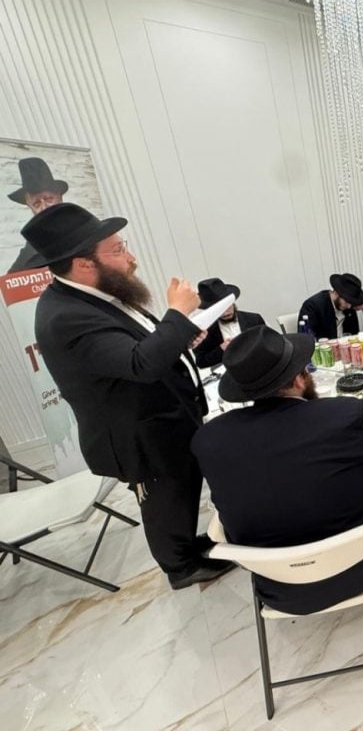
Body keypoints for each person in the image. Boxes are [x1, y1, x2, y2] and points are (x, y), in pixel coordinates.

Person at [22, 203, 232, 590]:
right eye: (118, 250)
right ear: (83, 264)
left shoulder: (97, 293)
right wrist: (178, 314)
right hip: (138, 434)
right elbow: (140, 364)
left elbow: (138, 346)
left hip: (165, 418)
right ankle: (180, 567)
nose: (131, 258)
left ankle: (188, 545)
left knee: (183, 487)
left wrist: (181, 335)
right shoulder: (65, 317)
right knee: (164, 499)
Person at [191, 326, 363, 616]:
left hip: (277, 587)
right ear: (298, 378)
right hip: (357, 570)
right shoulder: (343, 415)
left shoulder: (209, 441)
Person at [7, 157, 68, 272]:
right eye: (36, 203)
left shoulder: (84, 224)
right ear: (30, 207)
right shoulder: (33, 242)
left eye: (48, 199)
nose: (44, 207)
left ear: (59, 198)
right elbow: (11, 279)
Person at [193, 278, 266, 368]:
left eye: (226, 306)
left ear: (232, 301)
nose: (225, 313)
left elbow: (269, 343)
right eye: (219, 309)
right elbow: (201, 362)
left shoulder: (254, 319)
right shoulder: (203, 331)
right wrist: (221, 349)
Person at [298, 273, 363, 339]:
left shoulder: (349, 304)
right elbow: (306, 339)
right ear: (336, 293)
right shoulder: (313, 306)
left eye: (352, 302)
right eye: (347, 301)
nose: (349, 306)